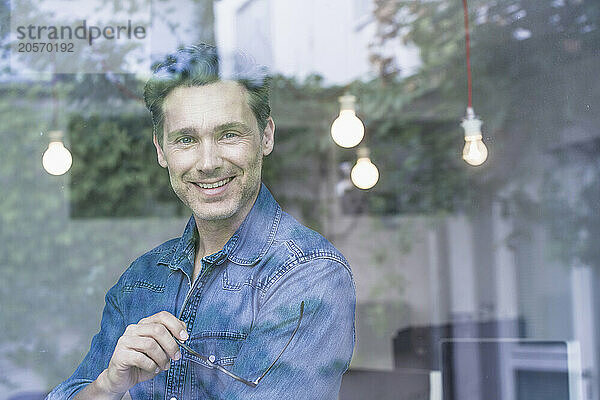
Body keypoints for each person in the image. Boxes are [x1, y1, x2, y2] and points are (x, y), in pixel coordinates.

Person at [46, 43, 356, 400]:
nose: (208, 162)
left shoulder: (309, 275)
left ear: (266, 136)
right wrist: (109, 386)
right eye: (186, 139)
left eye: (228, 134)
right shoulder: (140, 281)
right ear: (162, 150)